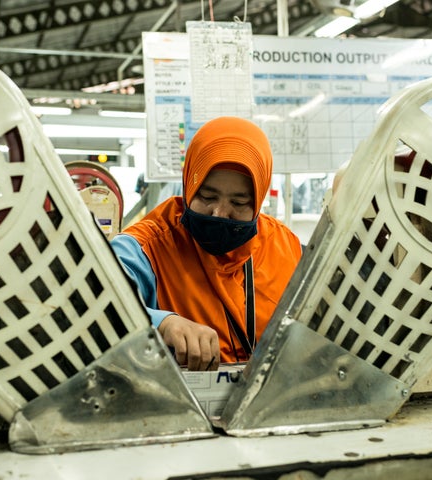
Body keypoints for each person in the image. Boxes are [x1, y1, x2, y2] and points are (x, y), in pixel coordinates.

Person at [111, 116, 303, 371]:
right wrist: (161, 323)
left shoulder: (285, 245)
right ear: (189, 185)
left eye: (239, 203)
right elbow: (97, 305)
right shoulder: (146, 247)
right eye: (207, 196)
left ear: (258, 201)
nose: (219, 214)